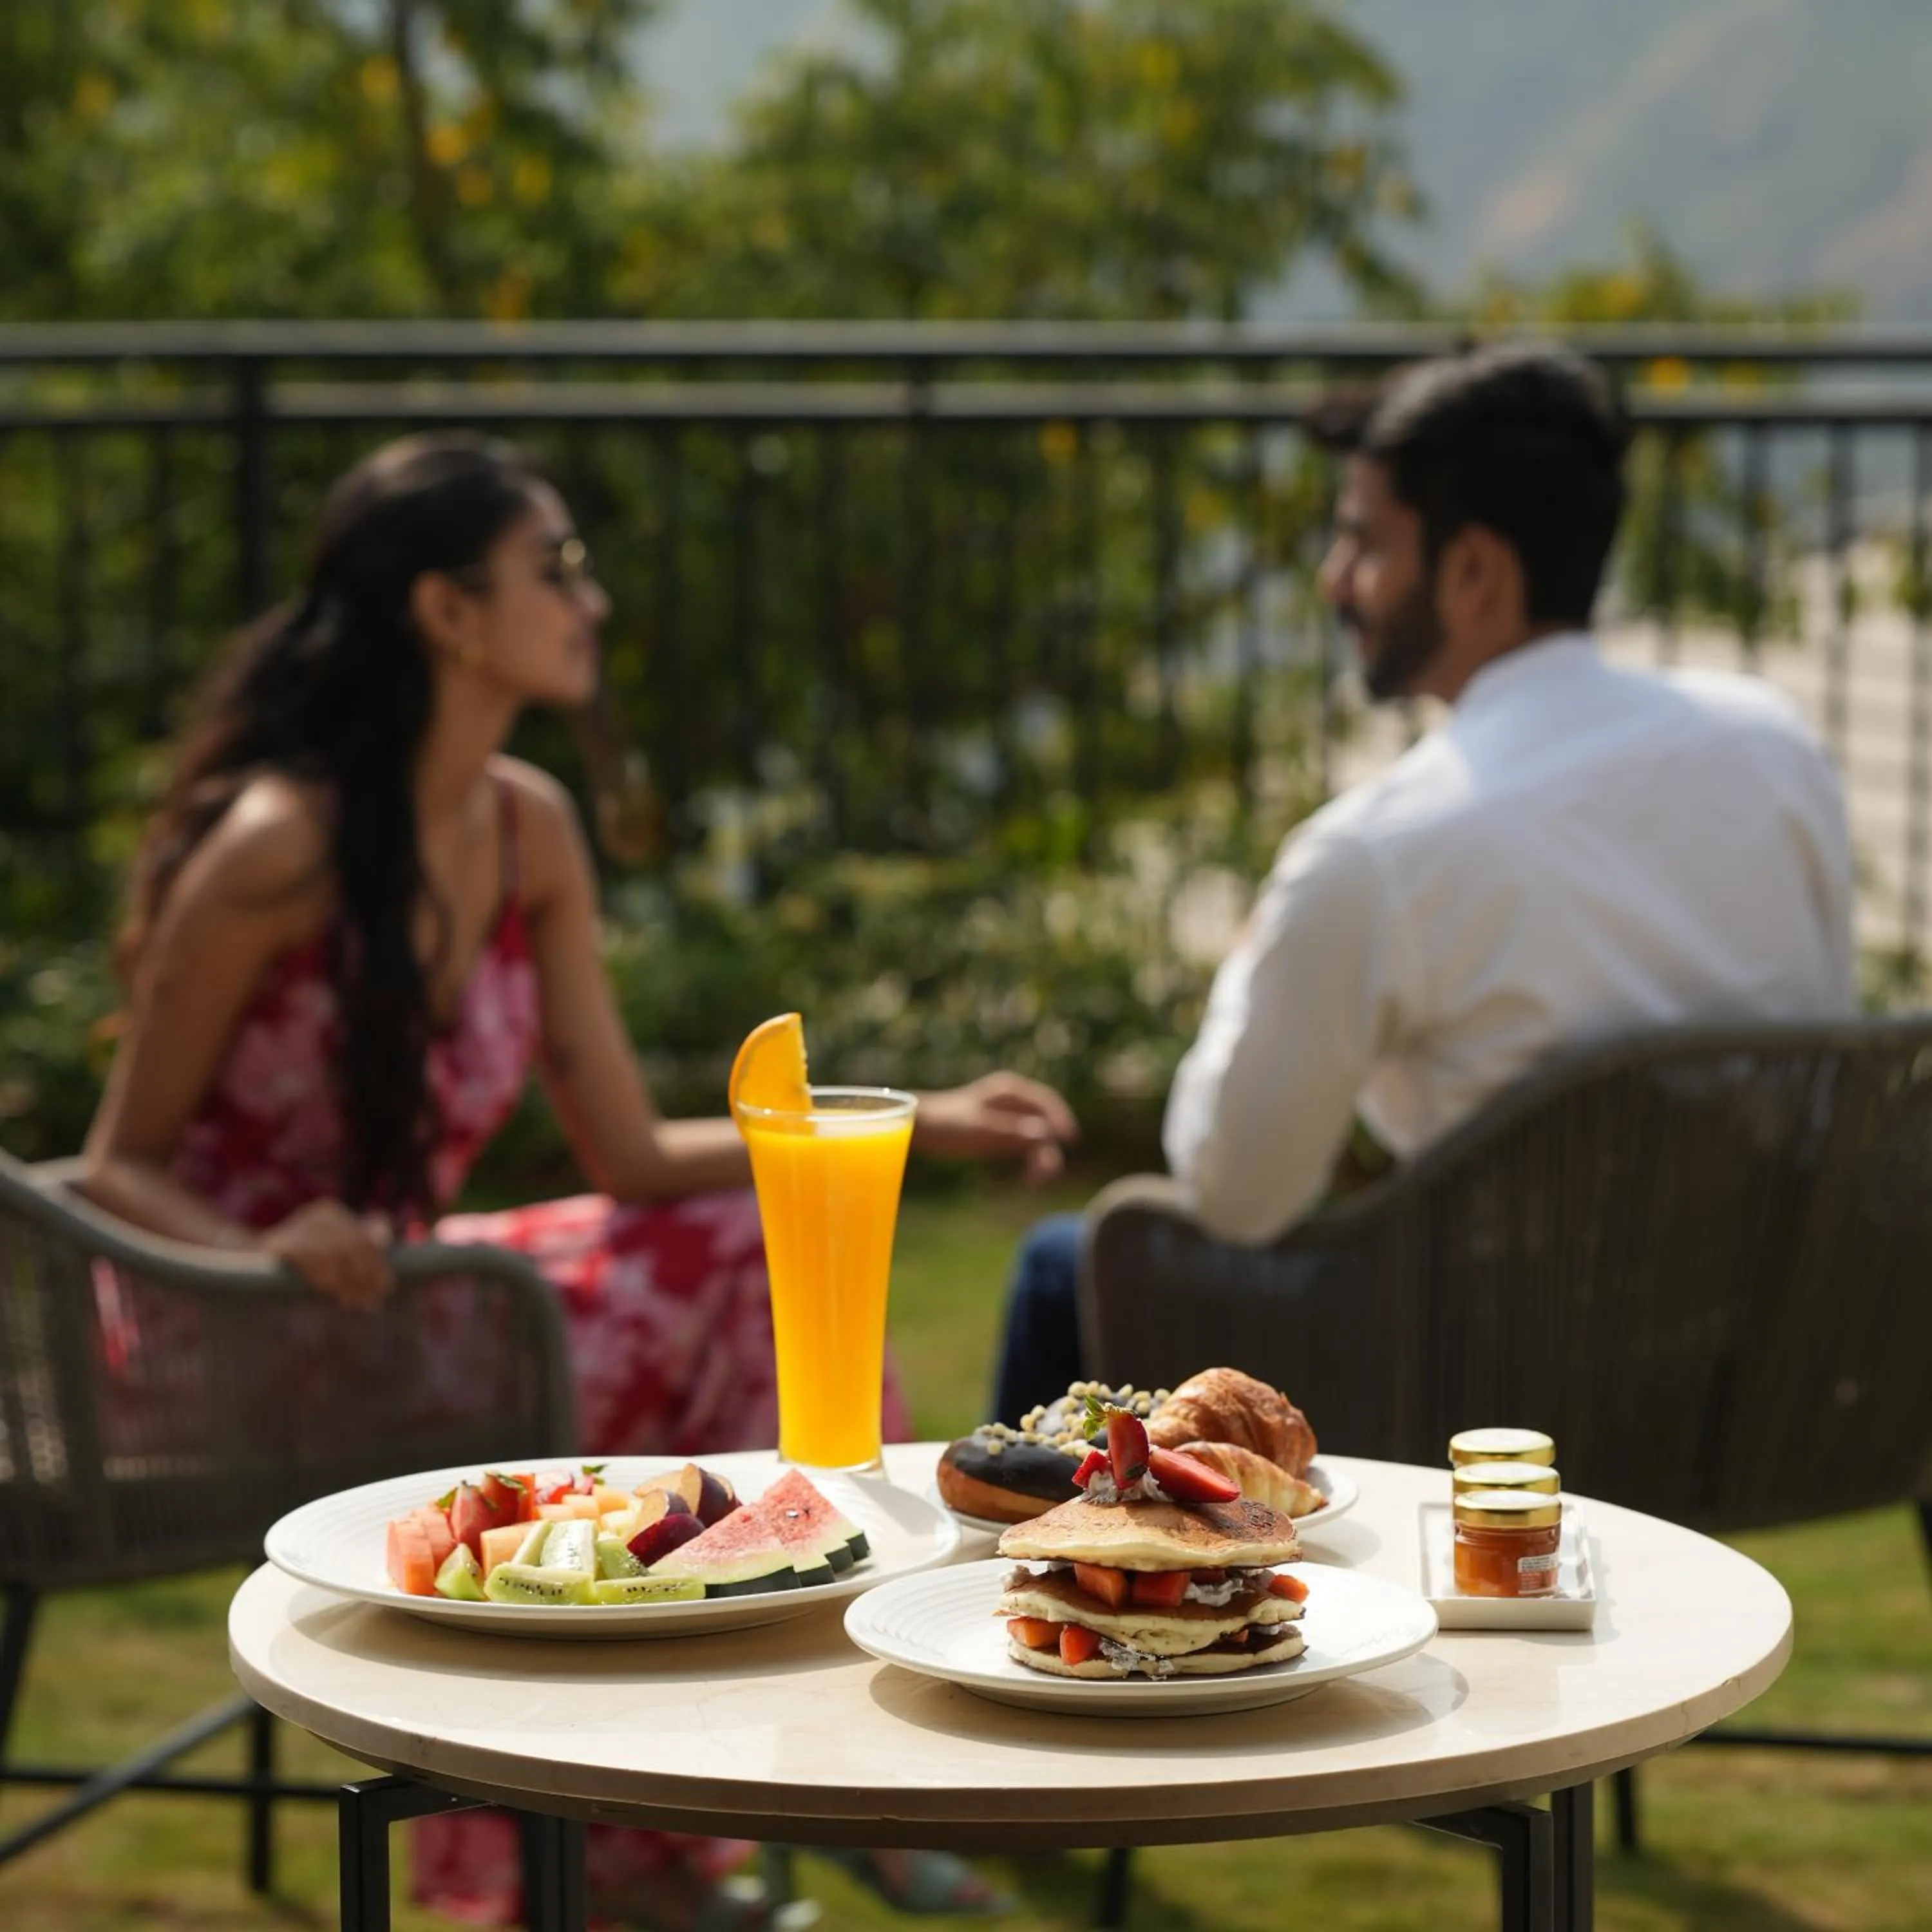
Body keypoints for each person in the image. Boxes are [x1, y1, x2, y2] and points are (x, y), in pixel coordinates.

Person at [77, 431, 1072, 1928]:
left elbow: (629, 1155)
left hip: (405, 1298)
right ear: (447, 612)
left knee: (730, 1237)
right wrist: (270, 1241)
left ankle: (727, 1788)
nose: (590, 605)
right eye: (557, 571)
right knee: (620, 1321)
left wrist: (917, 1117)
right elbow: (116, 1165)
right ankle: (627, 1836)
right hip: (221, 1316)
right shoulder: (279, 844)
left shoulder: (527, 826)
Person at [993, 342, 1856, 1423]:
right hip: (1757, 1369)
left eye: (1362, 540)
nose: (1335, 578)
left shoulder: (1376, 853)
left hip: (1478, 1390)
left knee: (1056, 1272)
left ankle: (1046, 1588)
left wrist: (1256, 952)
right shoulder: (1776, 748)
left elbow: (1236, 1194)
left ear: (1475, 571)